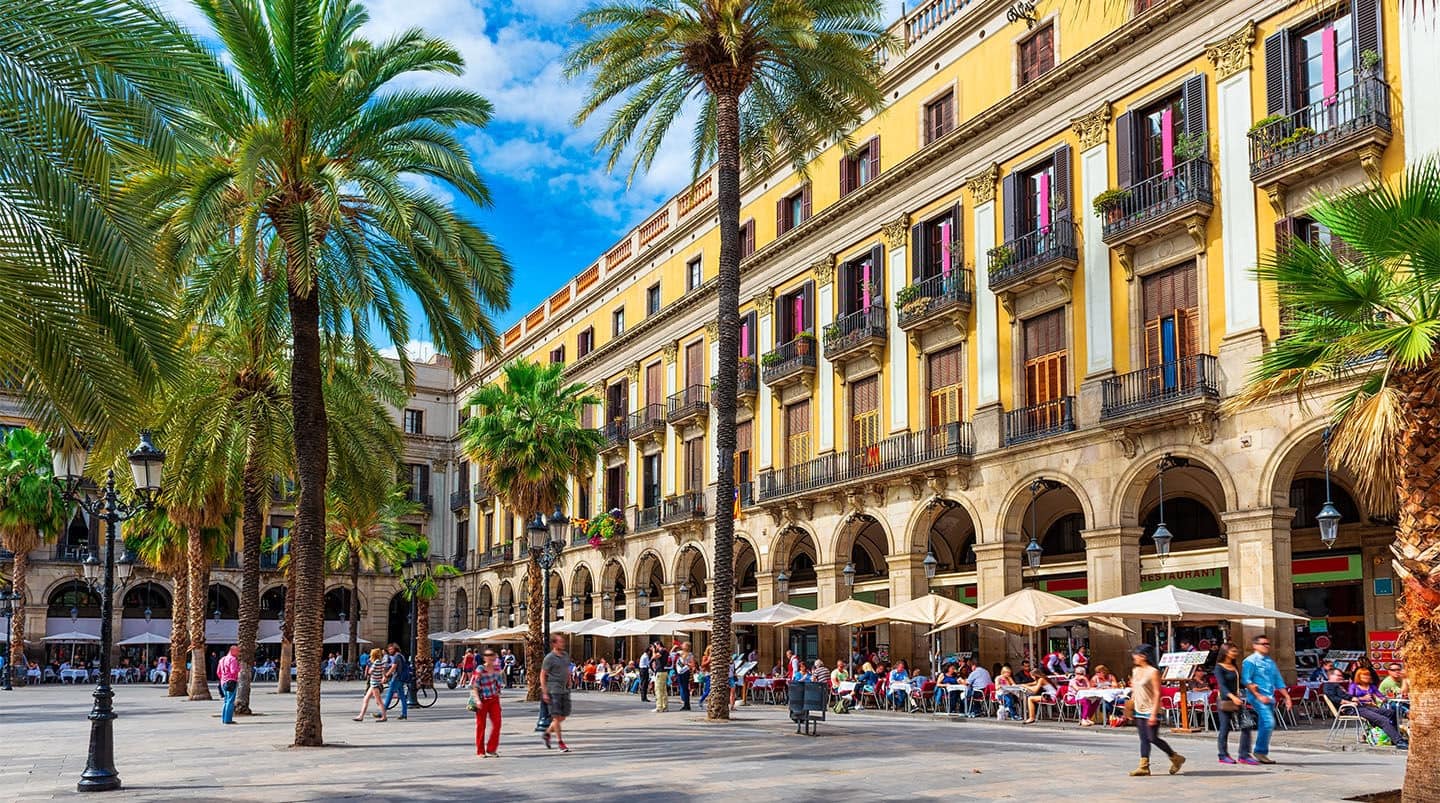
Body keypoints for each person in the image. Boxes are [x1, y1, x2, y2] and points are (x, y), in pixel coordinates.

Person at [1128, 644, 1185, 776]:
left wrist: (1153, 714)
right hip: (1138, 708)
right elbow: (1135, 689)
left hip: (1151, 708)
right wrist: (1130, 706)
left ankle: (1175, 758)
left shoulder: (1153, 672)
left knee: (1152, 737)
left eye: (1136, 655)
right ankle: (1144, 766)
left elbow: (1157, 693)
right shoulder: (1135, 670)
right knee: (1143, 738)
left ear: (1144, 656)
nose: (1134, 657)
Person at [1241, 634, 1291, 764]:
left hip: (1269, 697)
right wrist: (1258, 695)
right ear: (1255, 646)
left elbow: (1278, 680)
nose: (1267, 646)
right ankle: (1260, 751)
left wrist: (1287, 696)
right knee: (1269, 722)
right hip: (1257, 696)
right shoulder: (1250, 661)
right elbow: (1246, 680)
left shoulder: (1270, 662)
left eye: (1268, 644)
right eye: (1263, 644)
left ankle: (1261, 752)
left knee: (1265, 723)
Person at [1214, 643, 1255, 764]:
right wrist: (1232, 697)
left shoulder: (1234, 666)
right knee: (1225, 728)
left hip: (1237, 700)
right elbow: (1222, 686)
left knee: (1247, 725)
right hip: (1225, 701)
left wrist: (1250, 685)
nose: (1235, 654)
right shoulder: (1219, 667)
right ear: (1226, 652)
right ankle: (1223, 755)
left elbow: (1240, 682)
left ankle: (1244, 754)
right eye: (1233, 651)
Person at [1349, 667, 1407, 749]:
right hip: (1358, 708)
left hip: (1371, 707)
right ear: (1358, 676)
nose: (1367, 677)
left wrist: (1386, 698)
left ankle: (1393, 735)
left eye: (1368, 675)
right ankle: (1398, 741)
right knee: (1383, 720)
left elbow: (1380, 695)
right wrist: (1362, 699)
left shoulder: (1371, 686)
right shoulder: (1354, 686)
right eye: (1364, 676)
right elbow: (1349, 698)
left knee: (1391, 712)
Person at [469, 648, 504, 757]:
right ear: (484, 657)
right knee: (481, 725)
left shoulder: (497, 669)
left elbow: (498, 684)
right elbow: (474, 686)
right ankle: (480, 750)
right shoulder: (480, 669)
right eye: (487, 655)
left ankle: (491, 748)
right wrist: (477, 700)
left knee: (497, 723)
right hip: (482, 700)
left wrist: (498, 694)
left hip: (494, 699)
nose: (489, 657)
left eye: (491, 655)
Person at [540, 634, 572, 752]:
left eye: (563, 642)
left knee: (562, 717)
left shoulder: (565, 655)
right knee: (556, 717)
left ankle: (547, 733)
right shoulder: (549, 658)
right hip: (553, 690)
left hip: (564, 690)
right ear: (554, 644)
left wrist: (569, 680)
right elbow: (542, 675)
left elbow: (567, 669)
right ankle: (560, 743)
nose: (563, 644)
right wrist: (544, 692)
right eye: (560, 642)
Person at [355, 648, 389, 722]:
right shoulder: (380, 662)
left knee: (378, 701)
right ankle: (361, 716)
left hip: (375, 684)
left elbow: (370, 672)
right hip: (373, 683)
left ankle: (384, 716)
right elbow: (383, 671)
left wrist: (370, 666)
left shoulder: (376, 662)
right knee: (366, 699)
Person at [381, 642, 410, 720]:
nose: (389, 651)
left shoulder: (397, 657)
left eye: (391, 649)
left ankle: (382, 713)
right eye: (389, 649)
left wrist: (386, 675)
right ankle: (404, 714)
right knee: (402, 696)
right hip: (401, 678)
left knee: (389, 694)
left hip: (397, 678)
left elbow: (393, 667)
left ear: (395, 648)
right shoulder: (401, 656)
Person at [217, 645, 241, 725]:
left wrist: (223, 678)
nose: (238, 653)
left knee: (226, 701)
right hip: (231, 681)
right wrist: (239, 668)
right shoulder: (233, 659)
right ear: (232, 651)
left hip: (223, 682)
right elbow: (233, 671)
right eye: (237, 651)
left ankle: (224, 718)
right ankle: (228, 719)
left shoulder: (222, 659)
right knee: (230, 701)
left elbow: (218, 672)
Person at [675, 642, 696, 711]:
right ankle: (685, 702)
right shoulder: (679, 653)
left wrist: (686, 663)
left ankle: (686, 704)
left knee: (684, 688)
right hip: (679, 671)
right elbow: (670, 654)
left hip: (684, 671)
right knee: (681, 687)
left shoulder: (690, 655)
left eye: (683, 644)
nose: (682, 645)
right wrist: (674, 648)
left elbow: (693, 665)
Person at [651, 643, 670, 712]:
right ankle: (665, 706)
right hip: (664, 672)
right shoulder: (665, 651)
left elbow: (654, 657)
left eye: (655, 646)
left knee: (658, 690)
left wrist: (653, 651)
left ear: (658, 645)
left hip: (660, 672)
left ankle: (659, 707)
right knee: (664, 690)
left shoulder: (662, 651)